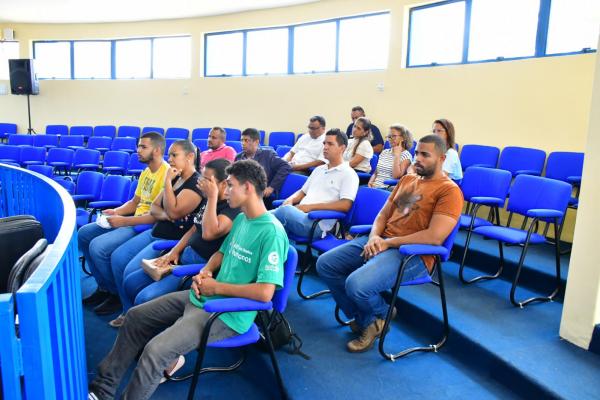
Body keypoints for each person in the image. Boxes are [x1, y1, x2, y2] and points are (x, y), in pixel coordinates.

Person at [88, 160, 289, 400]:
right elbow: (221, 253)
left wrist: (216, 286)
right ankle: (103, 388)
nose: (226, 191)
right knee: (135, 317)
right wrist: (206, 270)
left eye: (231, 186)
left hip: (227, 314)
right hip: (204, 296)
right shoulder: (243, 220)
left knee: (155, 351)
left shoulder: (272, 233)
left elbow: (265, 293)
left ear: (247, 188)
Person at [316, 134, 463, 353]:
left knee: (356, 285)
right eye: (416, 153)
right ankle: (372, 319)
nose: (418, 159)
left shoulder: (449, 191)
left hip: (413, 254)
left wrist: (389, 242)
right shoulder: (408, 181)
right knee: (325, 264)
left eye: (425, 155)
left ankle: (376, 315)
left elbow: (434, 237)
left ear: (442, 159)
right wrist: (375, 236)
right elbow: (383, 215)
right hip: (383, 241)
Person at [120, 158, 240, 320]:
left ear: (224, 184)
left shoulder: (231, 208)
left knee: (145, 298)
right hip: (183, 256)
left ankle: (145, 328)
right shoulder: (209, 199)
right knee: (130, 282)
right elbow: (194, 228)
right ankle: (131, 319)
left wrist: (211, 197)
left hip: (197, 267)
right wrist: (174, 251)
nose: (200, 182)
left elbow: (208, 233)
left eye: (206, 180)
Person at [104, 140, 203, 324]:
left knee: (128, 272)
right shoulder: (175, 177)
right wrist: (167, 214)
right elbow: (155, 208)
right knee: (118, 258)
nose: (170, 159)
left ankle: (134, 315)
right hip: (156, 232)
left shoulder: (195, 183)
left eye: (174, 155)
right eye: (170, 155)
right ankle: (127, 311)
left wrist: (167, 186)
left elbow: (174, 211)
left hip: (169, 240)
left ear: (190, 157)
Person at [79, 132, 168, 311]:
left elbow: (159, 215)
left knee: (99, 247)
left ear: (157, 150)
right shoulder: (146, 172)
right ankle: (104, 287)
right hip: (134, 218)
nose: (138, 150)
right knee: (84, 234)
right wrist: (116, 212)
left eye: (143, 147)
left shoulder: (166, 174)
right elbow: (135, 202)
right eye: (138, 146)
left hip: (146, 224)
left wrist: (123, 221)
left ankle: (116, 295)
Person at [273, 128, 359, 239]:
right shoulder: (319, 169)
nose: (325, 147)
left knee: (276, 215)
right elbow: (303, 191)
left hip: (317, 224)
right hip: (299, 215)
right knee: (261, 217)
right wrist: (291, 199)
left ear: (342, 148)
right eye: (324, 143)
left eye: (330, 144)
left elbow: (345, 205)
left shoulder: (349, 174)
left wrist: (309, 208)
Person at [236, 127, 292, 206]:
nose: (243, 143)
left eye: (246, 140)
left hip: (260, 194)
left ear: (256, 142)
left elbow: (286, 166)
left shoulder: (268, 154)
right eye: (241, 140)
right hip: (242, 191)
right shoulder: (238, 157)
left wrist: (271, 187)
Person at [369, 124, 414, 188]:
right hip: (374, 186)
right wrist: (371, 181)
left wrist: (397, 155)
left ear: (403, 138)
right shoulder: (385, 152)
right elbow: (376, 172)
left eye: (394, 136)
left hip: (388, 189)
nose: (390, 139)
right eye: (389, 136)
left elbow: (396, 176)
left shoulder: (406, 155)